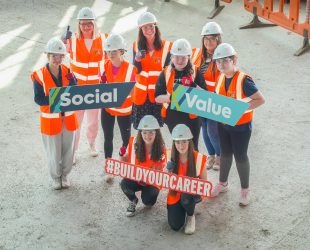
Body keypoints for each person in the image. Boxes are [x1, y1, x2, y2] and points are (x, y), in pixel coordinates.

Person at [211, 43, 265, 206]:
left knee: (240, 156)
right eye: (218, 61)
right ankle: (223, 183)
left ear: (234, 59)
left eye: (225, 60)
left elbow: (260, 100)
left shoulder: (244, 80)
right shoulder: (220, 78)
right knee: (225, 153)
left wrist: (238, 109)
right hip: (223, 124)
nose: (221, 64)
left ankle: (245, 190)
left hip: (241, 126)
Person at [31, 38, 78, 189]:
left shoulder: (68, 71)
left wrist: (73, 82)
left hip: (68, 119)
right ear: (48, 55)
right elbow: (39, 99)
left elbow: (76, 93)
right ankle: (55, 178)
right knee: (53, 152)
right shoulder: (39, 75)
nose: (57, 60)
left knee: (67, 150)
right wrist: (58, 100)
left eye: (60, 56)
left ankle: (65, 176)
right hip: (51, 121)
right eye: (54, 56)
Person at [65, 7, 106, 159]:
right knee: (76, 122)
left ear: (94, 24)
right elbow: (59, 53)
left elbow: (109, 61)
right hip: (77, 89)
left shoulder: (103, 39)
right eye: (83, 24)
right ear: (79, 25)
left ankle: (92, 143)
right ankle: (73, 151)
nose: (86, 27)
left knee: (93, 121)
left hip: (95, 89)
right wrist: (63, 40)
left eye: (89, 24)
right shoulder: (72, 39)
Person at [155, 38, 206, 150]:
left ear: (189, 57)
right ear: (172, 57)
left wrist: (194, 87)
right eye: (177, 56)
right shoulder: (165, 73)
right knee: (178, 147)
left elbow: (206, 97)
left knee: (193, 147)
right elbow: (157, 97)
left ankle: (193, 167)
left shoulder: (196, 71)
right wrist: (173, 98)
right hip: (173, 116)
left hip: (192, 117)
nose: (179, 60)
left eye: (183, 57)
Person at [100, 34, 137, 182]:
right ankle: (109, 164)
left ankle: (123, 150)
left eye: (114, 51)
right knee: (107, 137)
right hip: (107, 109)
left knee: (125, 138)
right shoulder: (103, 66)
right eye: (108, 51)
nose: (110, 54)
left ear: (122, 51)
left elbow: (134, 92)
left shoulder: (131, 69)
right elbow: (98, 90)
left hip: (124, 110)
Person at [120, 115, 167, 217]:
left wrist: (146, 177)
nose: (147, 136)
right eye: (144, 132)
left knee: (148, 202)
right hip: (136, 178)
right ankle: (133, 200)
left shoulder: (161, 148)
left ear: (156, 133)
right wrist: (121, 154)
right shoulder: (133, 142)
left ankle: (147, 195)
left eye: (151, 132)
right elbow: (124, 161)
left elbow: (159, 172)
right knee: (124, 184)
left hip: (151, 181)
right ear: (140, 133)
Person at [131, 12, 172, 129]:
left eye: (151, 26)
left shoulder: (167, 47)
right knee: (142, 129)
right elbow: (137, 70)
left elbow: (168, 74)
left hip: (157, 96)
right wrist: (137, 59)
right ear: (141, 30)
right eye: (145, 27)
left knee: (155, 129)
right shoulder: (136, 45)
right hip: (141, 96)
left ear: (155, 27)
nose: (149, 29)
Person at [192, 22, 223, 170]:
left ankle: (220, 155)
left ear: (218, 40)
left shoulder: (222, 56)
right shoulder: (198, 54)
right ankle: (210, 155)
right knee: (203, 127)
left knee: (212, 130)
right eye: (206, 39)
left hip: (213, 99)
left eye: (212, 39)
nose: (208, 42)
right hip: (200, 98)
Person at [166, 124, 207, 235]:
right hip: (174, 195)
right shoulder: (168, 156)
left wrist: (193, 189)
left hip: (190, 195)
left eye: (184, 141)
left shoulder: (198, 158)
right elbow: (163, 181)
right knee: (175, 226)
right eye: (178, 142)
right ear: (174, 143)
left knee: (185, 196)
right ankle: (181, 210)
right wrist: (167, 172)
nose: (181, 145)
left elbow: (204, 184)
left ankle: (190, 215)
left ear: (189, 141)